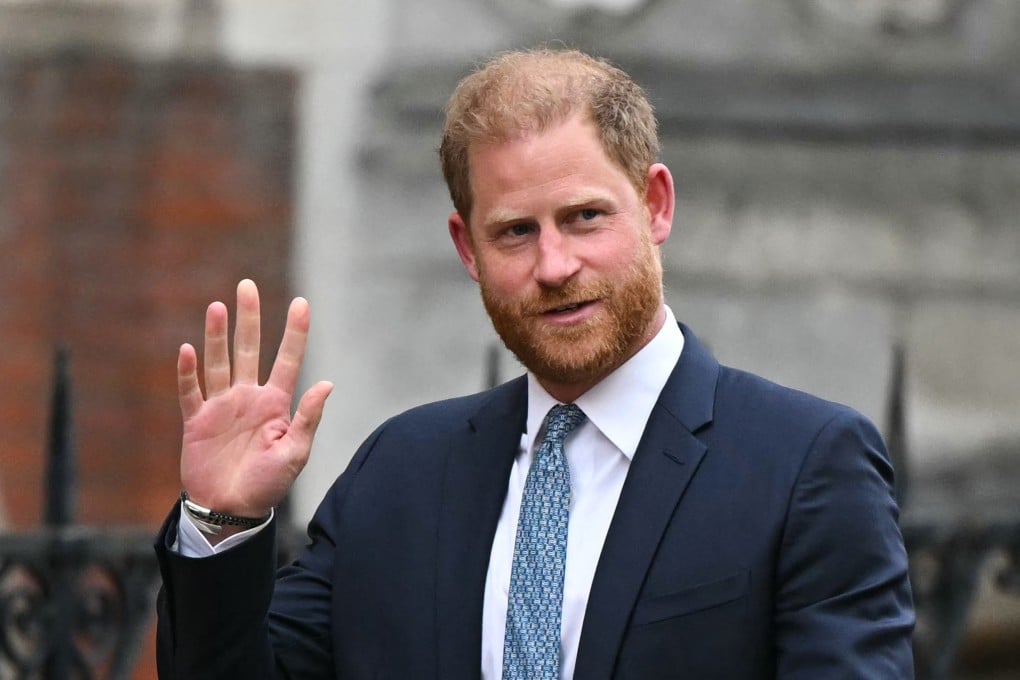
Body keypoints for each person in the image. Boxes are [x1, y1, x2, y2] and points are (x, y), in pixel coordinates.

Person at [154, 48, 915, 679]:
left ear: (654, 205)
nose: (555, 265)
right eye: (515, 232)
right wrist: (225, 524)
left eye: (585, 217)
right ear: (468, 250)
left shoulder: (806, 466)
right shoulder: (400, 474)